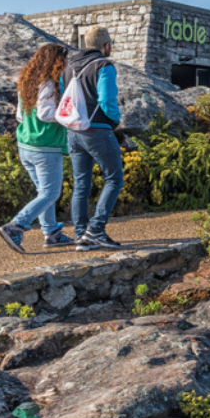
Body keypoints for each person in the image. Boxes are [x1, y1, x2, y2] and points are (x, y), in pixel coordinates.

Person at [0, 44, 75, 253]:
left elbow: (20, 116)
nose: (66, 64)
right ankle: (15, 226)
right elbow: (45, 114)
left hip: (25, 145)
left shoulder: (26, 83)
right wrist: (67, 114)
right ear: (56, 61)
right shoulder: (49, 83)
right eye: (64, 60)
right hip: (45, 147)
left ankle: (52, 233)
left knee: (44, 192)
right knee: (51, 193)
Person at [64, 26, 125, 251]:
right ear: (105, 45)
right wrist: (114, 121)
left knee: (81, 184)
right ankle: (96, 230)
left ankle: (81, 235)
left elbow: (65, 97)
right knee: (114, 179)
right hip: (97, 129)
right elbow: (108, 99)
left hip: (74, 131)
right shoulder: (104, 65)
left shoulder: (68, 67)